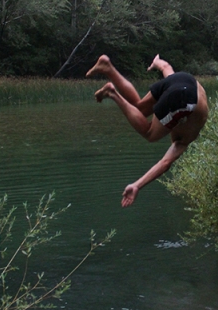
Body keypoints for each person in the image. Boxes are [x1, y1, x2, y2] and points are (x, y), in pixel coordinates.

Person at [86, 54, 209, 207]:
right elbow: (165, 163)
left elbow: (166, 67)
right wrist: (137, 185)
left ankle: (107, 67)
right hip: (184, 99)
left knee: (139, 109)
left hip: (183, 79)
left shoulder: (195, 112)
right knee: (150, 134)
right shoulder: (186, 138)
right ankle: (112, 93)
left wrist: (156, 63)